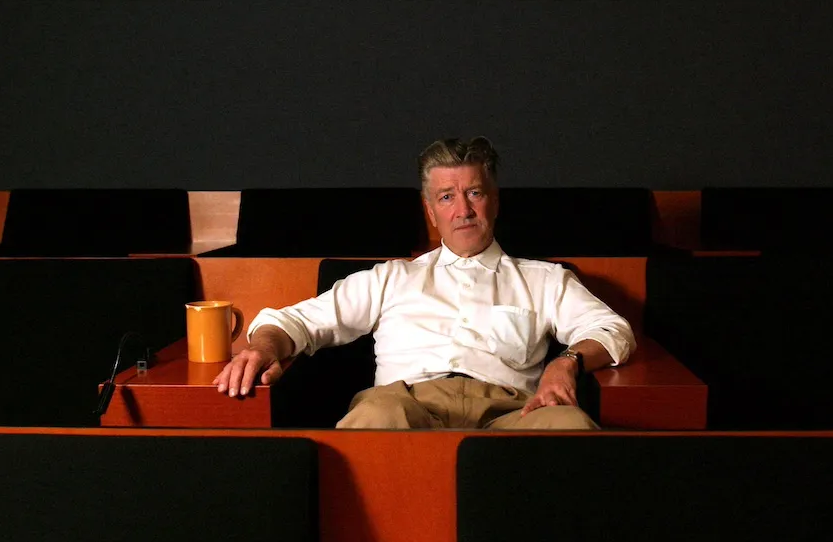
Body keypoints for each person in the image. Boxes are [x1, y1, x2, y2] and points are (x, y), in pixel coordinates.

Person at [213, 137, 635, 429]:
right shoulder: (391, 278)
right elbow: (296, 322)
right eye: (447, 197)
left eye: (475, 193)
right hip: (405, 405)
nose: (463, 210)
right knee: (372, 419)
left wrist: (567, 362)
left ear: (495, 200)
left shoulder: (545, 279)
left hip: (512, 412)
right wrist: (263, 347)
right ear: (430, 211)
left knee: (571, 426)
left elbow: (612, 329)